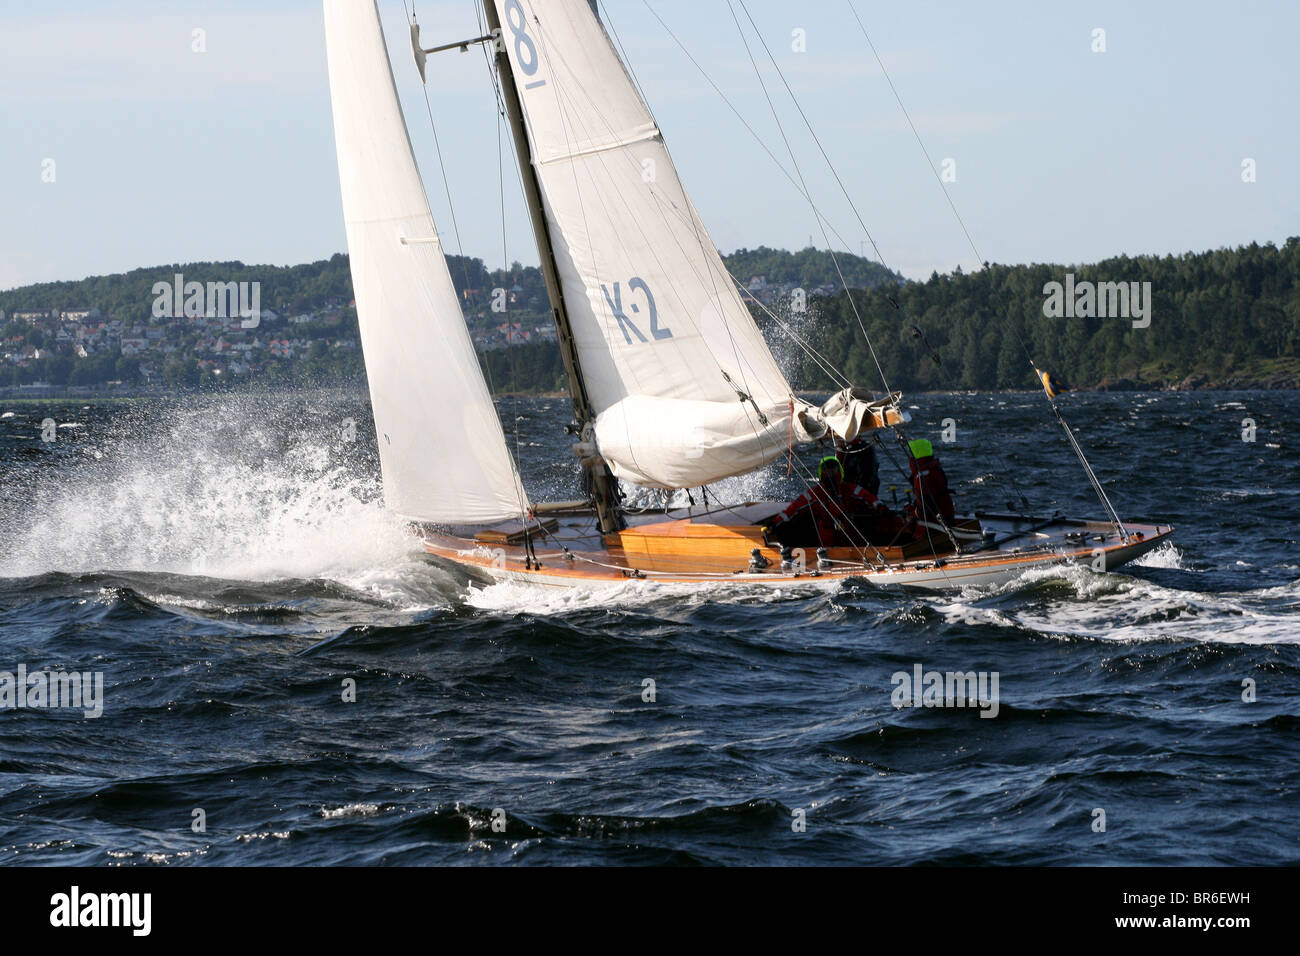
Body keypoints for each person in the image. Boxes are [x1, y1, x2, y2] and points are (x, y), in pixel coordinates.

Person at [768, 456, 897, 548]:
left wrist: (882, 508)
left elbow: (869, 497)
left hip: (851, 533)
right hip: (827, 536)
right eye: (826, 469)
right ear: (821, 472)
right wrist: (775, 522)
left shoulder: (849, 489)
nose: (830, 472)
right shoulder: (815, 493)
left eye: (833, 468)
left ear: (839, 470)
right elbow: (794, 508)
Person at [905, 438, 955, 528]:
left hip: (936, 521)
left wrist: (914, 514)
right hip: (947, 513)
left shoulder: (922, 475)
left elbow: (927, 506)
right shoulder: (933, 468)